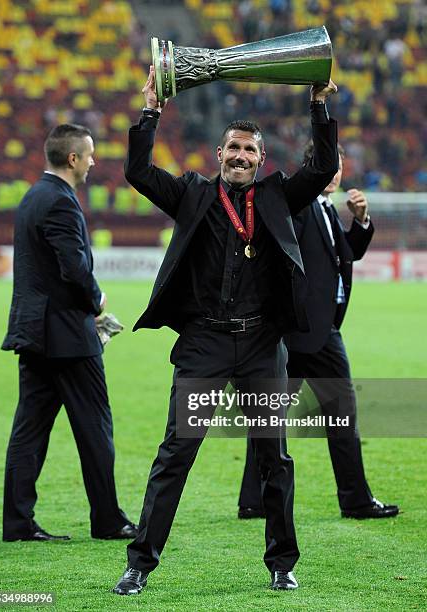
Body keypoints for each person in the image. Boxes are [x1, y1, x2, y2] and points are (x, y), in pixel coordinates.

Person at [112, 66, 338, 595]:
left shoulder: (281, 196)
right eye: (232, 148)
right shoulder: (191, 194)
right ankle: (140, 564)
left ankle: (282, 563)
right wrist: (150, 110)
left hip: (262, 346)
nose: (240, 157)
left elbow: (324, 163)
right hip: (205, 346)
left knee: (273, 457)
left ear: (261, 160)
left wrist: (319, 105)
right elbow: (138, 171)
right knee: (176, 454)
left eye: (250, 151)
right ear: (219, 155)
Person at [238, 143, 399, 520]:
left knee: (270, 418)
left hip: (311, 331)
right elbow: (279, 256)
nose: (336, 172)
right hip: (309, 333)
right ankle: (356, 500)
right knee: (340, 415)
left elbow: (346, 255)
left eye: (339, 166)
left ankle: (253, 499)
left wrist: (360, 221)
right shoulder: (300, 205)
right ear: (311, 167)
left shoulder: (325, 209)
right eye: (327, 165)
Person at [1, 124, 137, 542]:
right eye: (90, 154)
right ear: (74, 158)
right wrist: (96, 301)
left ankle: (18, 522)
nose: (95, 161)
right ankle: (108, 519)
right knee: (95, 427)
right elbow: (73, 267)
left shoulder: (32, 197)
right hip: (66, 336)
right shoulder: (60, 202)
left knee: (30, 430)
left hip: (34, 333)